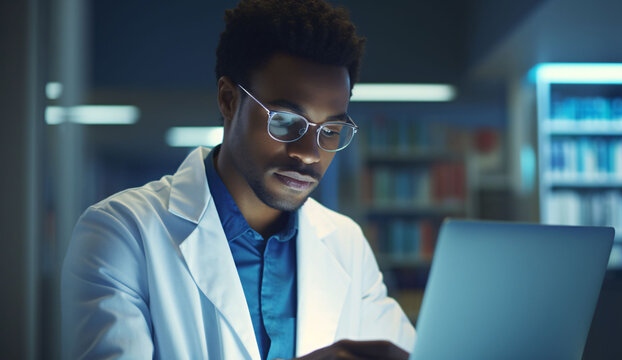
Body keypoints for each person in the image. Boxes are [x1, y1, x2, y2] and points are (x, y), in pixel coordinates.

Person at [61, 0, 416, 359]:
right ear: (229, 100)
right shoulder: (122, 231)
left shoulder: (346, 243)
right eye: (285, 121)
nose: (309, 153)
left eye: (331, 129)